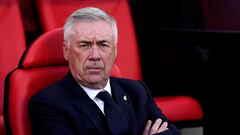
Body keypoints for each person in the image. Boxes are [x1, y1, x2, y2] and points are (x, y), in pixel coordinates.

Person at [28, 7, 180, 135]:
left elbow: (171, 132)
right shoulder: (48, 103)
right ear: (66, 51)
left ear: (115, 51)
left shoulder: (137, 91)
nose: (95, 56)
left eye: (103, 45)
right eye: (84, 45)